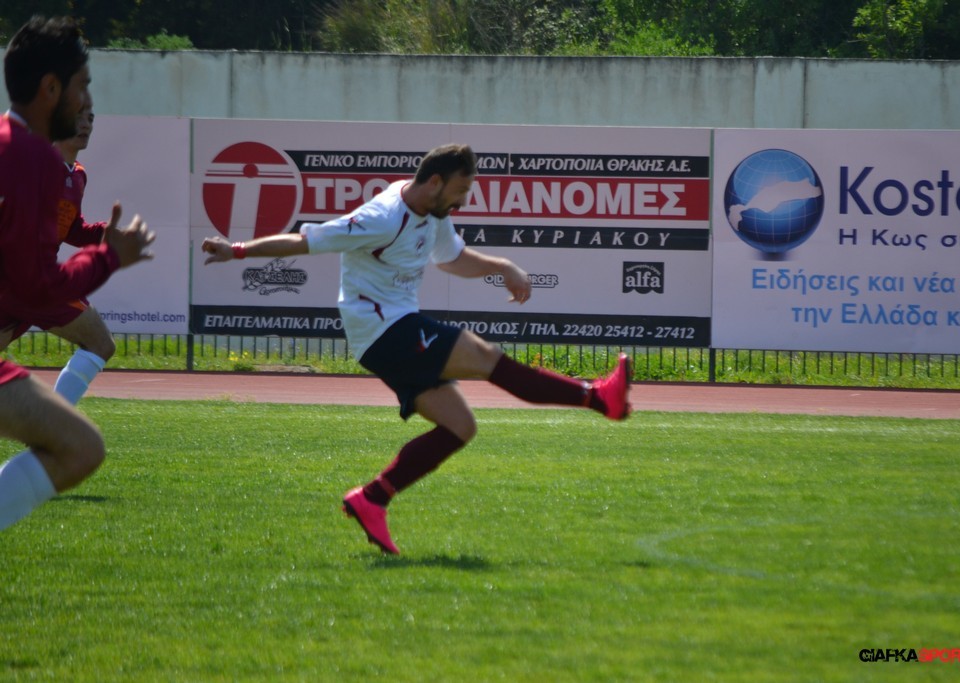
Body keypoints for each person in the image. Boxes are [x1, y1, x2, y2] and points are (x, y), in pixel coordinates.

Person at [203, 143, 631, 555]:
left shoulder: (432, 211)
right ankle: (597, 398)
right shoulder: (381, 217)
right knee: (486, 358)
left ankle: (372, 498)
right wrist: (236, 250)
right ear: (435, 182)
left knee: (460, 427)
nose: (464, 201)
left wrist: (502, 267)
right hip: (384, 328)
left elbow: (451, 259)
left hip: (388, 333)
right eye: (461, 190)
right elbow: (304, 241)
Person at [0, 16, 155, 531]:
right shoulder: (32, 161)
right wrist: (110, 258)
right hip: (25, 296)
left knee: (79, 444)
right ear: (51, 89)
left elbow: (49, 246)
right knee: (80, 446)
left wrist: (100, 240)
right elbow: (37, 287)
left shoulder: (20, 149)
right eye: (82, 87)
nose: (87, 103)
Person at [0, 106, 115, 407]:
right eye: (78, 116)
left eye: (91, 118)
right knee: (100, 343)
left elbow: (71, 228)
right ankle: (55, 425)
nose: (86, 124)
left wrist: (104, 233)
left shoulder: (77, 175)